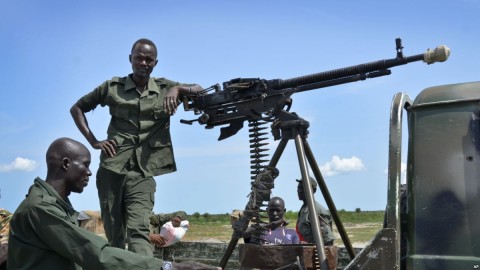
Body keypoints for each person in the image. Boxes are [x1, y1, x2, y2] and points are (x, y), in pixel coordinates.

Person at [70, 38, 202, 256]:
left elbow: (199, 90)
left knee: (139, 228)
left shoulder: (165, 88)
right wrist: (94, 141)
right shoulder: (112, 88)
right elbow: (77, 108)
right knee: (115, 233)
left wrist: (178, 89)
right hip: (112, 168)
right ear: (130, 59)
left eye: (148, 59)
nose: (143, 62)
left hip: (144, 170)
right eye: (139, 57)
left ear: (155, 63)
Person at [7, 137, 219, 270]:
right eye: (85, 165)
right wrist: (168, 267)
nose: (89, 172)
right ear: (65, 164)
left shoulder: (55, 205)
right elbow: (94, 253)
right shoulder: (41, 208)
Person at [296, 177, 335, 246]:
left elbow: (328, 240)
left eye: (303, 188)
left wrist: (310, 246)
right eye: (298, 188)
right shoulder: (304, 208)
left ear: (314, 190)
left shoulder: (318, 211)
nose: (299, 191)